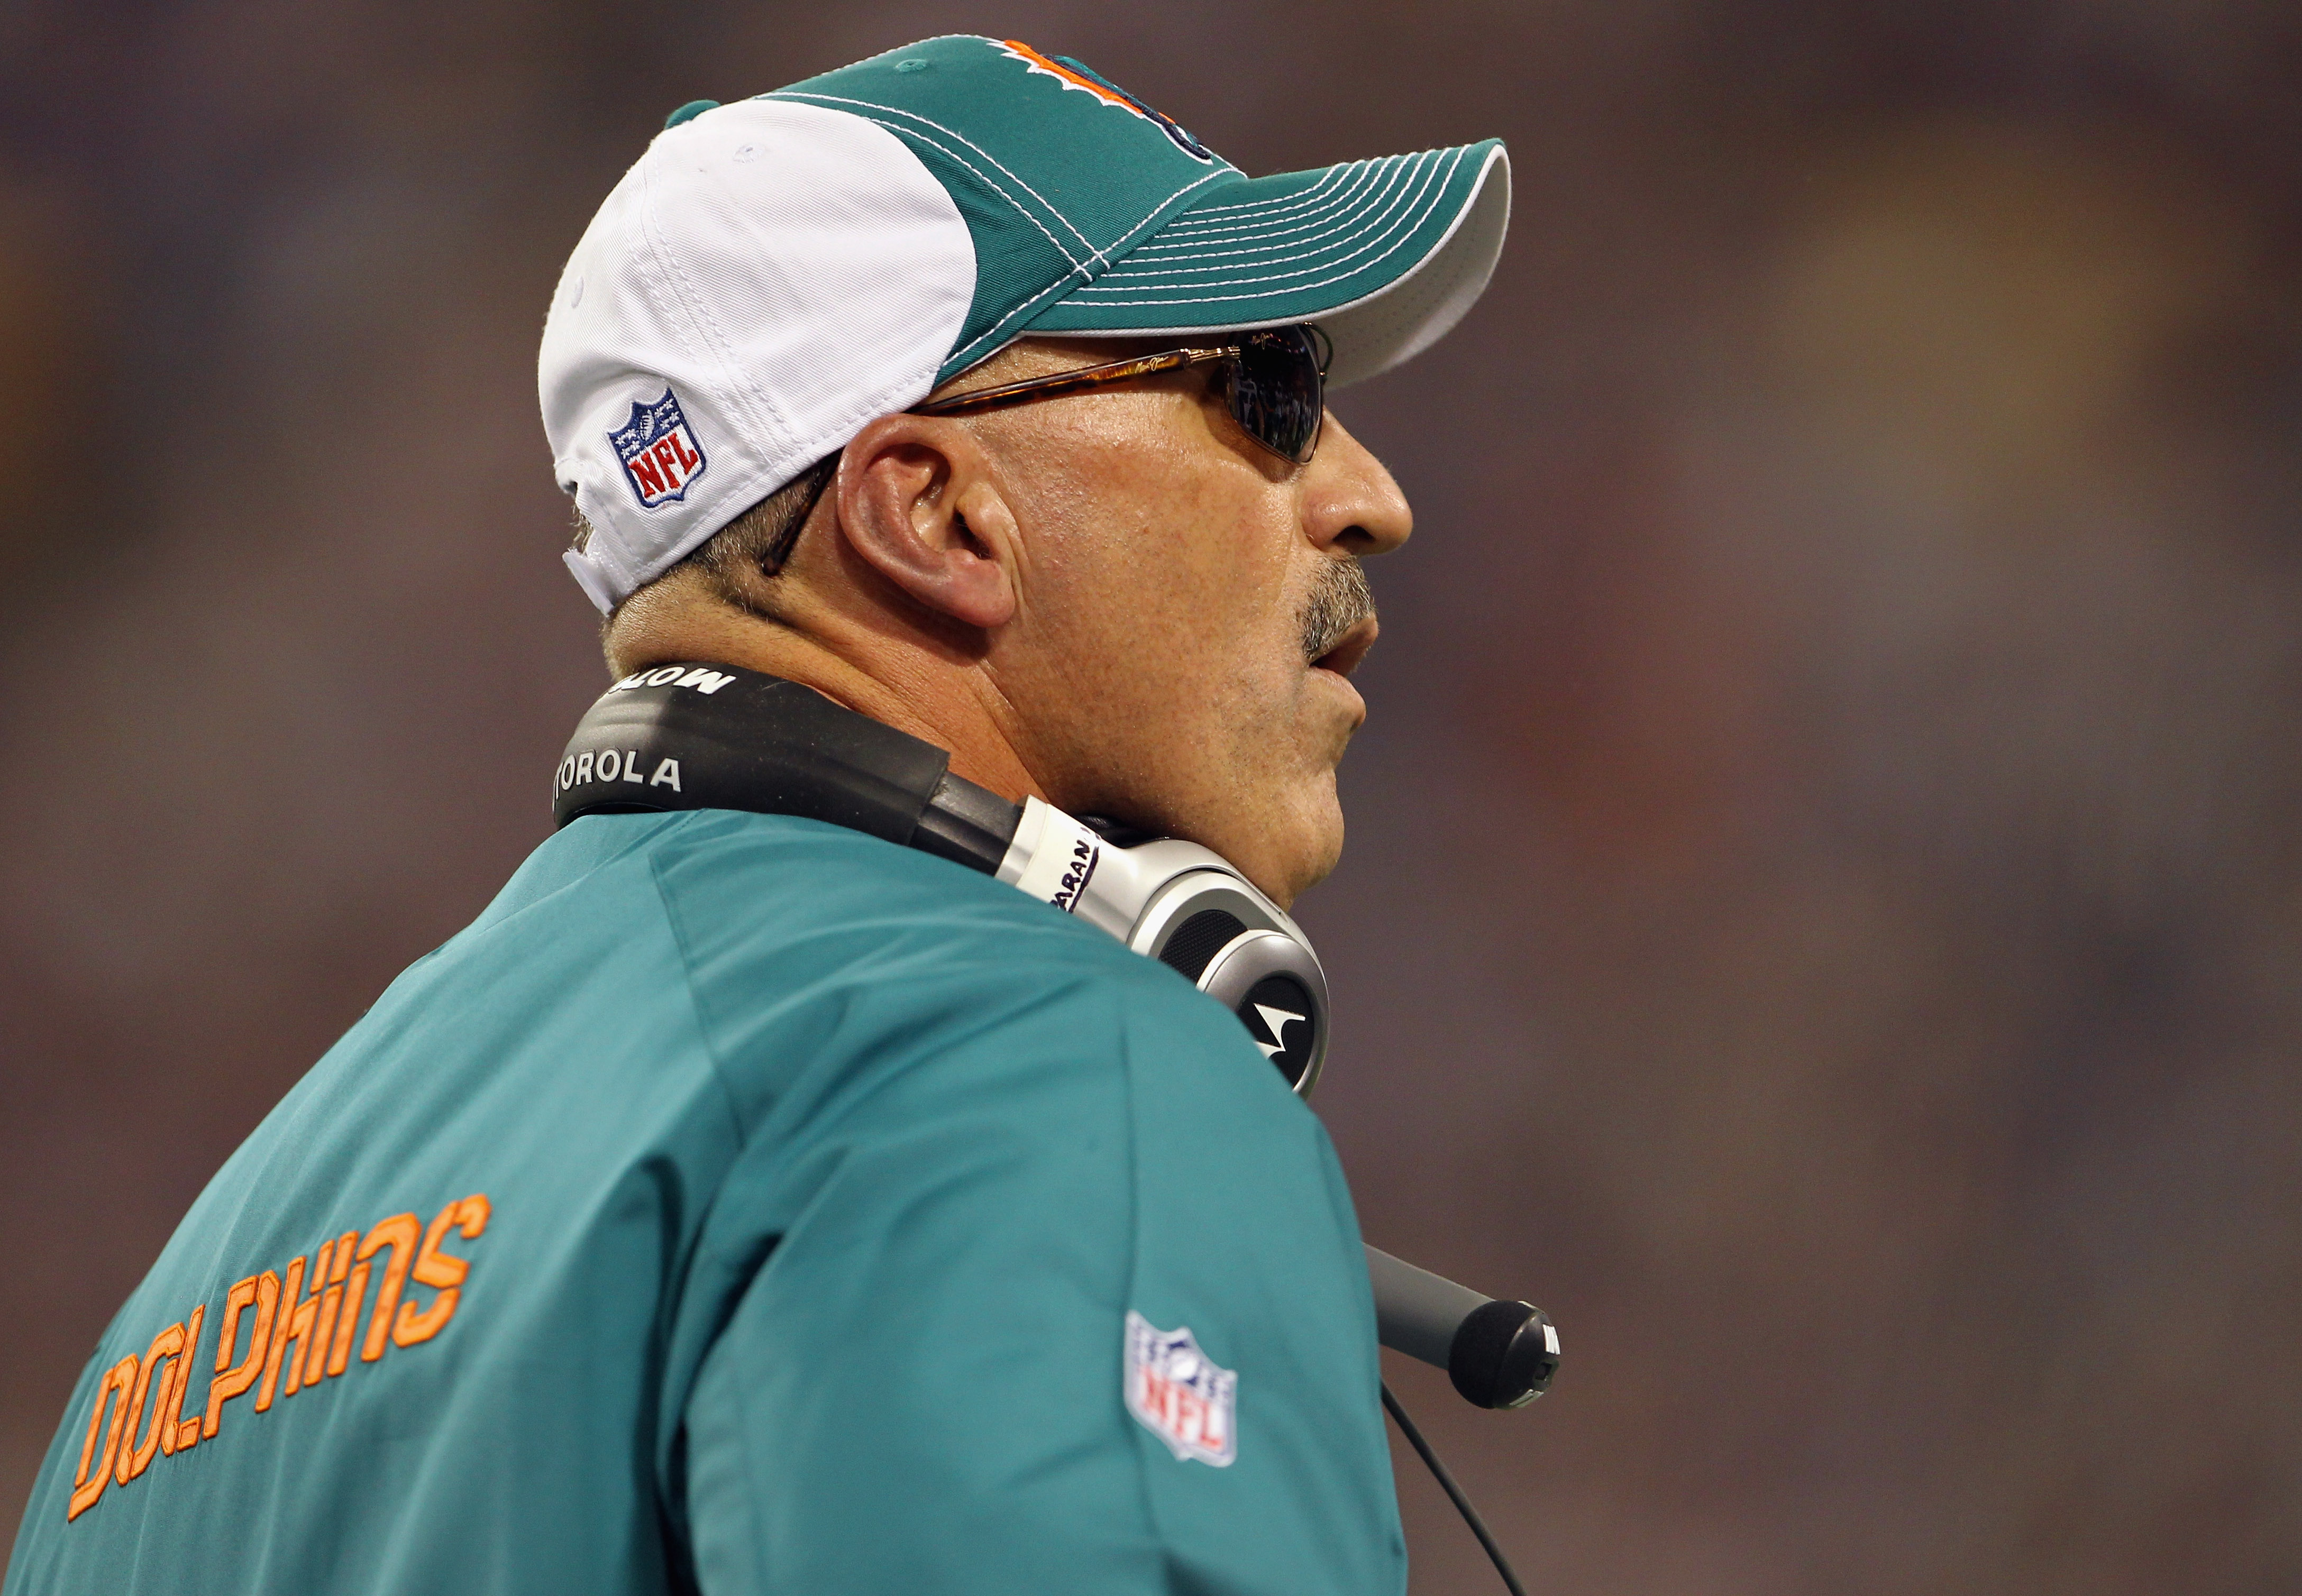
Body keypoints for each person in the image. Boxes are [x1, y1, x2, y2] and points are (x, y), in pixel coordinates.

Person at [4, 35, 1508, 1596]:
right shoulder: (1023, 1054)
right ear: (934, 513)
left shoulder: (178, 1315)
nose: (1371, 494)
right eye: (1268, 395)